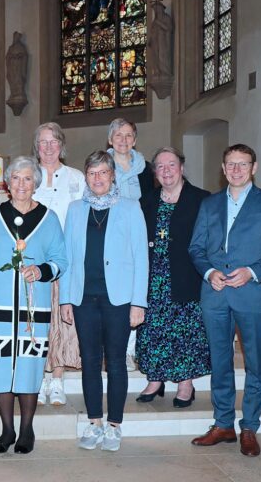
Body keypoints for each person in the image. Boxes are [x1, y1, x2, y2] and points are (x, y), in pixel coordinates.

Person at [189, 144, 261, 457]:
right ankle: (223, 425)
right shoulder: (209, 205)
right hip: (216, 296)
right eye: (230, 164)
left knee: (256, 364)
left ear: (254, 167)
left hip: (252, 296)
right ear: (223, 169)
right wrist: (208, 273)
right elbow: (196, 248)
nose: (236, 169)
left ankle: (249, 427)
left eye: (242, 164)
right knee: (220, 363)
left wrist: (252, 271)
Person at [0, 156, 67, 455]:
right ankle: (7, 429)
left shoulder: (49, 219)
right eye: (16, 179)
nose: (22, 184)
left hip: (33, 309)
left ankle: (26, 430)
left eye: (27, 178)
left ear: (35, 183)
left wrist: (41, 271)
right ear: (7, 184)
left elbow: (61, 261)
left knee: (29, 366)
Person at [59, 150, 148, 452]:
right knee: (90, 363)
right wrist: (67, 299)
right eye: (92, 173)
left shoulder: (130, 208)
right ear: (86, 176)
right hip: (84, 297)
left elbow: (141, 257)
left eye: (103, 173)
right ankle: (94, 421)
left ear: (113, 176)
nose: (97, 178)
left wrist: (139, 302)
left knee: (117, 362)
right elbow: (69, 258)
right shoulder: (74, 210)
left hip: (119, 299)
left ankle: (114, 425)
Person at [136, 147, 211, 407]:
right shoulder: (146, 200)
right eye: (160, 166)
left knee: (185, 331)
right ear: (155, 172)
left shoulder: (201, 199)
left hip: (186, 275)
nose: (166, 171)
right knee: (154, 328)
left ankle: (185, 384)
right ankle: (155, 379)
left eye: (171, 165)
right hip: (153, 277)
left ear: (181, 167)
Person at [31, 122, 86, 406]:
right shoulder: (28, 176)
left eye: (54, 142)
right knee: (38, 321)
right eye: (43, 142)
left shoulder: (76, 177)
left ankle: (57, 380)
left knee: (63, 322)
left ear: (61, 145)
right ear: (36, 147)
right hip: (35, 263)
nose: (49, 147)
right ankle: (38, 378)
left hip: (67, 261)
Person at [106, 118, 155, 372]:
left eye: (128, 135)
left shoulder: (146, 169)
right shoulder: (103, 165)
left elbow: (150, 202)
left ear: (134, 140)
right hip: (110, 237)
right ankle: (115, 349)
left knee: (135, 293)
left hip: (137, 235)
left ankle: (132, 349)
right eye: (118, 135)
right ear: (110, 139)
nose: (123, 140)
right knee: (114, 295)